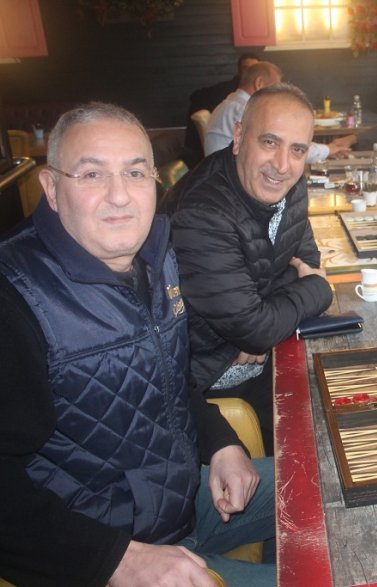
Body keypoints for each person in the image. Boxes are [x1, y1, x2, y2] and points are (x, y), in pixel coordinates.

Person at [0, 102, 275, 586]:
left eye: (135, 172)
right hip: (95, 555)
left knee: (327, 480)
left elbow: (166, 381)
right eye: (92, 175)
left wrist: (221, 444)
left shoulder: (156, 256)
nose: (120, 196)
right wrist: (116, 560)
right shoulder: (15, 298)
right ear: (52, 188)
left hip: (180, 503)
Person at [162, 84, 334, 454]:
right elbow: (259, 325)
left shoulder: (289, 184)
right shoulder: (203, 213)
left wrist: (264, 322)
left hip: (255, 344)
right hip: (209, 372)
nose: (282, 165)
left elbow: (306, 259)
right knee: (323, 425)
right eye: (270, 142)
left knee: (349, 387)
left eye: (297, 150)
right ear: (239, 137)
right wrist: (319, 290)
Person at [204, 61, 350, 163]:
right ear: (259, 83)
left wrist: (327, 149)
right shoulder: (246, 109)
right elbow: (289, 148)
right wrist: (329, 149)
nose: (278, 96)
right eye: (275, 88)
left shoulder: (231, 103)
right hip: (230, 185)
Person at [183, 52, 260, 166]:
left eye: (254, 69)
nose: (250, 73)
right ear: (240, 71)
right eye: (247, 69)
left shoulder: (239, 98)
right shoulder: (233, 99)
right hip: (225, 161)